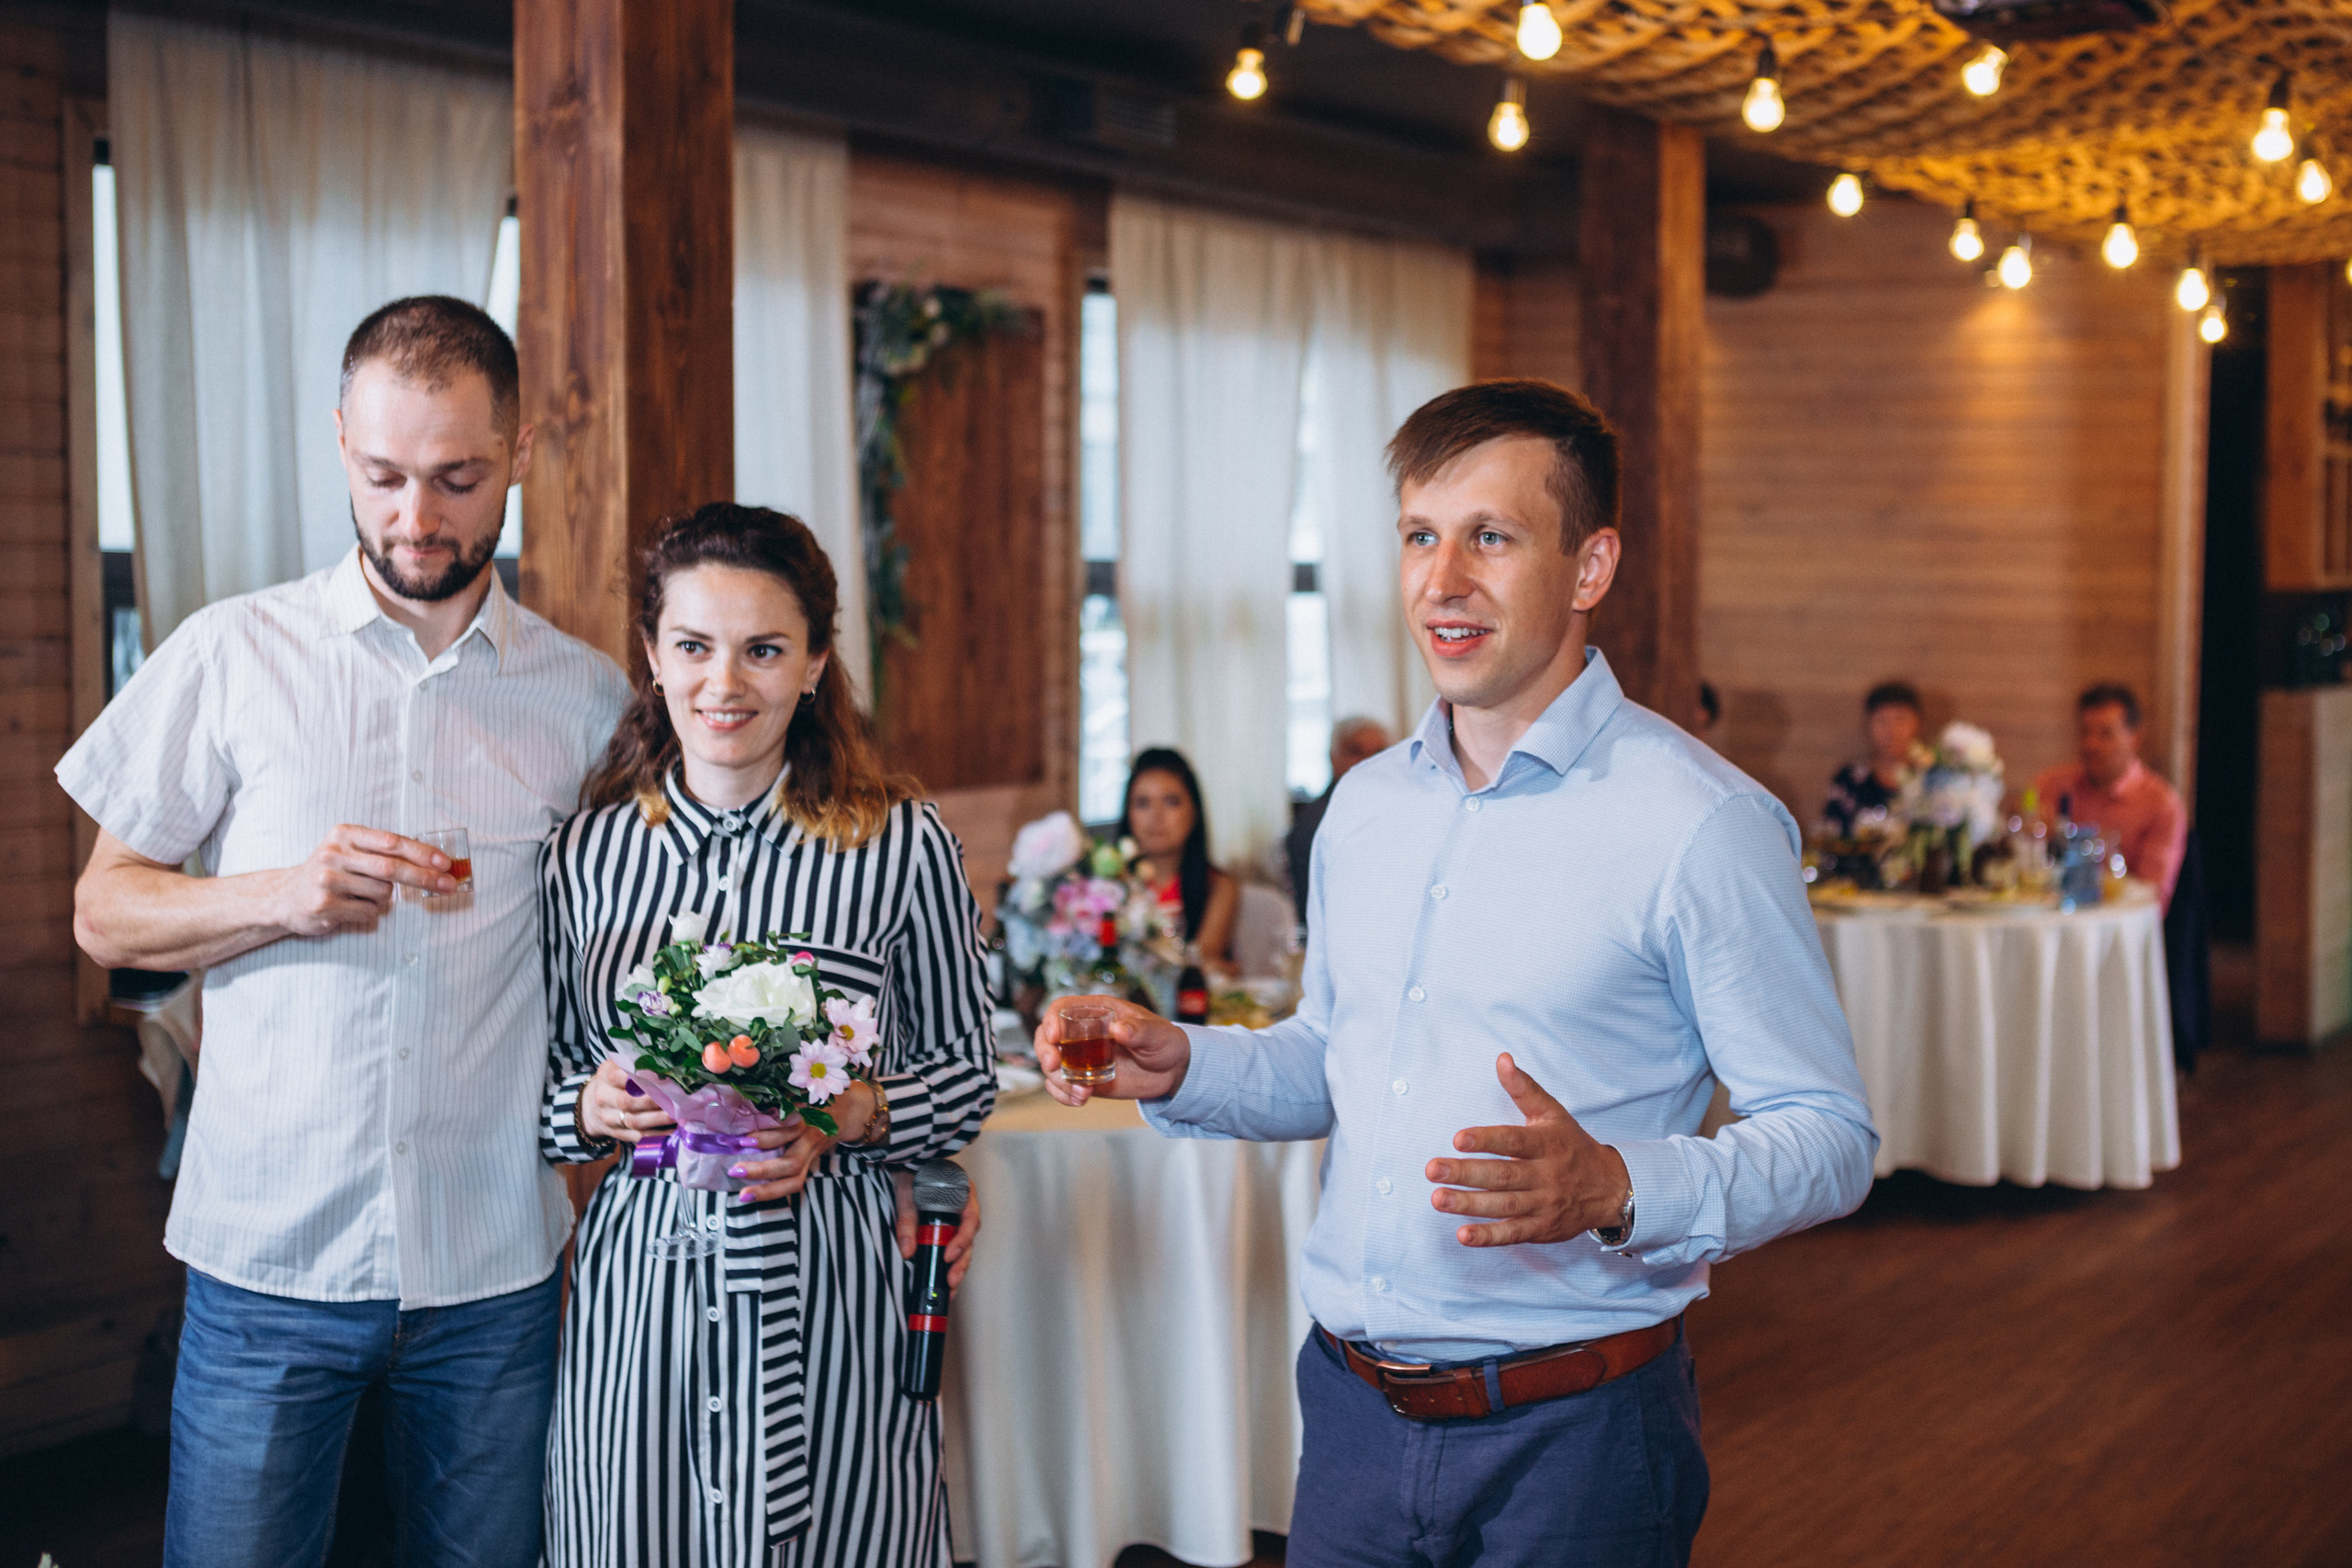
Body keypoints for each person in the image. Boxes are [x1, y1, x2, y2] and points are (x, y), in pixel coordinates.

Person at [1035, 378, 1877, 1567]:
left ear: (1590, 567)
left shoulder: (1701, 821)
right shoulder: (1366, 806)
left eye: (1492, 535)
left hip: (1578, 1438)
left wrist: (1618, 1185)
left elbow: (1831, 1134)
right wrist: (1187, 1062)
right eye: (1421, 536)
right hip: (1352, 1420)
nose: (1443, 580)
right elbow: (1334, 1056)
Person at [59, 297, 628, 1567]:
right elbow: (104, 910)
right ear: (339, 443)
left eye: (456, 478)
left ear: (519, 452)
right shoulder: (230, 653)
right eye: (381, 474)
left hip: (495, 1266)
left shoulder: (586, 698)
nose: (415, 518)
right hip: (267, 1259)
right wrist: (280, 892)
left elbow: (635, 962)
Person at [538, 503, 997, 1568]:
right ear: (652, 657)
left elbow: (970, 1074)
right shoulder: (586, 855)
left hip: (831, 1280)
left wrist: (855, 1115)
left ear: (815, 662)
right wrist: (586, 1106)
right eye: (693, 647)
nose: (724, 684)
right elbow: (540, 1084)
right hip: (643, 1287)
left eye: (763, 650)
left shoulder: (901, 844)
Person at [2033, 682, 2188, 910]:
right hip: (2051, 917)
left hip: (2115, 928)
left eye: (2105, 734)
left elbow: (2152, 897)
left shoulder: (2161, 804)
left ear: (2135, 738)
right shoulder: (2051, 786)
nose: (2091, 745)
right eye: (2085, 732)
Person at [1119, 747, 1239, 970]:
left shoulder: (1218, 886)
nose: (1156, 816)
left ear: (1194, 812)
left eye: (1171, 802)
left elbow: (1199, 962)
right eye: (1143, 803)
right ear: (1128, 814)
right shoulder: (1108, 886)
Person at [1285, 716, 1395, 931]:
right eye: (1356, 751)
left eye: (1379, 752)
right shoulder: (1318, 822)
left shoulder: (1400, 807)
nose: (1368, 761)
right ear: (1333, 757)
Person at [1821, 681, 1930, 836]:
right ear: (1867, 726)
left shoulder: (1932, 779)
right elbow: (1831, 838)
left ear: (1919, 724)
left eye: (1901, 719)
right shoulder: (1850, 780)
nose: (1891, 731)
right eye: (1881, 720)